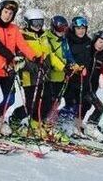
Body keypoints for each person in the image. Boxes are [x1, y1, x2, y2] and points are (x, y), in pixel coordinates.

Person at [0, 0, 41, 136]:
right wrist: (3, 65)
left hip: (9, 71)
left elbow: (23, 46)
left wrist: (34, 57)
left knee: (10, 99)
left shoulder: (14, 29)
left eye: (11, 13)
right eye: (5, 12)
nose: (7, 15)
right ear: (0, 12)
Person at [9, 8, 64, 137]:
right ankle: (16, 118)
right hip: (29, 75)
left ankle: (34, 124)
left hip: (44, 74)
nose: (38, 26)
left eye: (40, 23)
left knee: (46, 102)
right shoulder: (23, 36)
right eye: (35, 23)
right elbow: (20, 56)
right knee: (31, 104)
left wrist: (62, 67)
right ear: (28, 23)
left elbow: (50, 55)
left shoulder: (44, 36)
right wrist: (34, 67)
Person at [80, 30, 103, 141]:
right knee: (98, 108)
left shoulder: (102, 57)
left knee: (86, 107)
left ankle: (82, 126)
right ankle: (84, 126)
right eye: (100, 42)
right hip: (80, 85)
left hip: (92, 87)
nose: (101, 45)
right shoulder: (86, 50)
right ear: (95, 40)